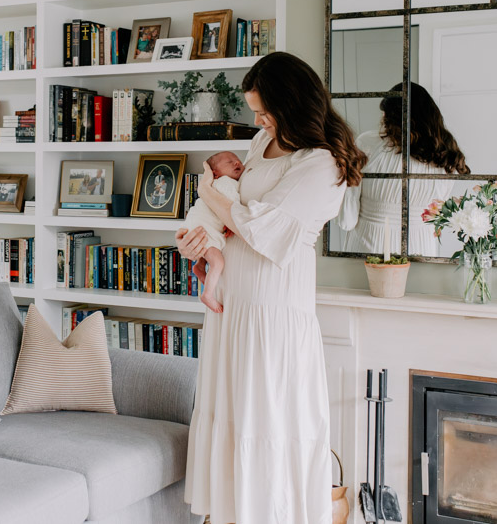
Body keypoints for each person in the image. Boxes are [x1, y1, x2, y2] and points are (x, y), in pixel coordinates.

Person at [175, 52, 366, 523]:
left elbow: (265, 229)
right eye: (255, 111)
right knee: (233, 412)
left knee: (269, 417)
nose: (258, 121)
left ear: (293, 104)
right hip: (232, 302)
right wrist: (203, 245)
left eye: (264, 111)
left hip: (273, 307)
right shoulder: (263, 141)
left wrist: (208, 194)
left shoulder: (321, 163)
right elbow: (237, 212)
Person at [338, 82, 469, 257]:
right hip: (421, 247)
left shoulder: (368, 143)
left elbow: (347, 220)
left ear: (390, 115)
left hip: (369, 245)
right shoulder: (446, 157)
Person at [184, 151, 244, 310]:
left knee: (209, 250)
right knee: (218, 262)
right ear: (215, 173)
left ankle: (200, 265)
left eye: (238, 160)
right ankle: (207, 295)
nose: (236, 163)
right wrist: (231, 223)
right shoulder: (226, 182)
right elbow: (230, 206)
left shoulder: (214, 185)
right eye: (229, 162)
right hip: (204, 228)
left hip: (197, 224)